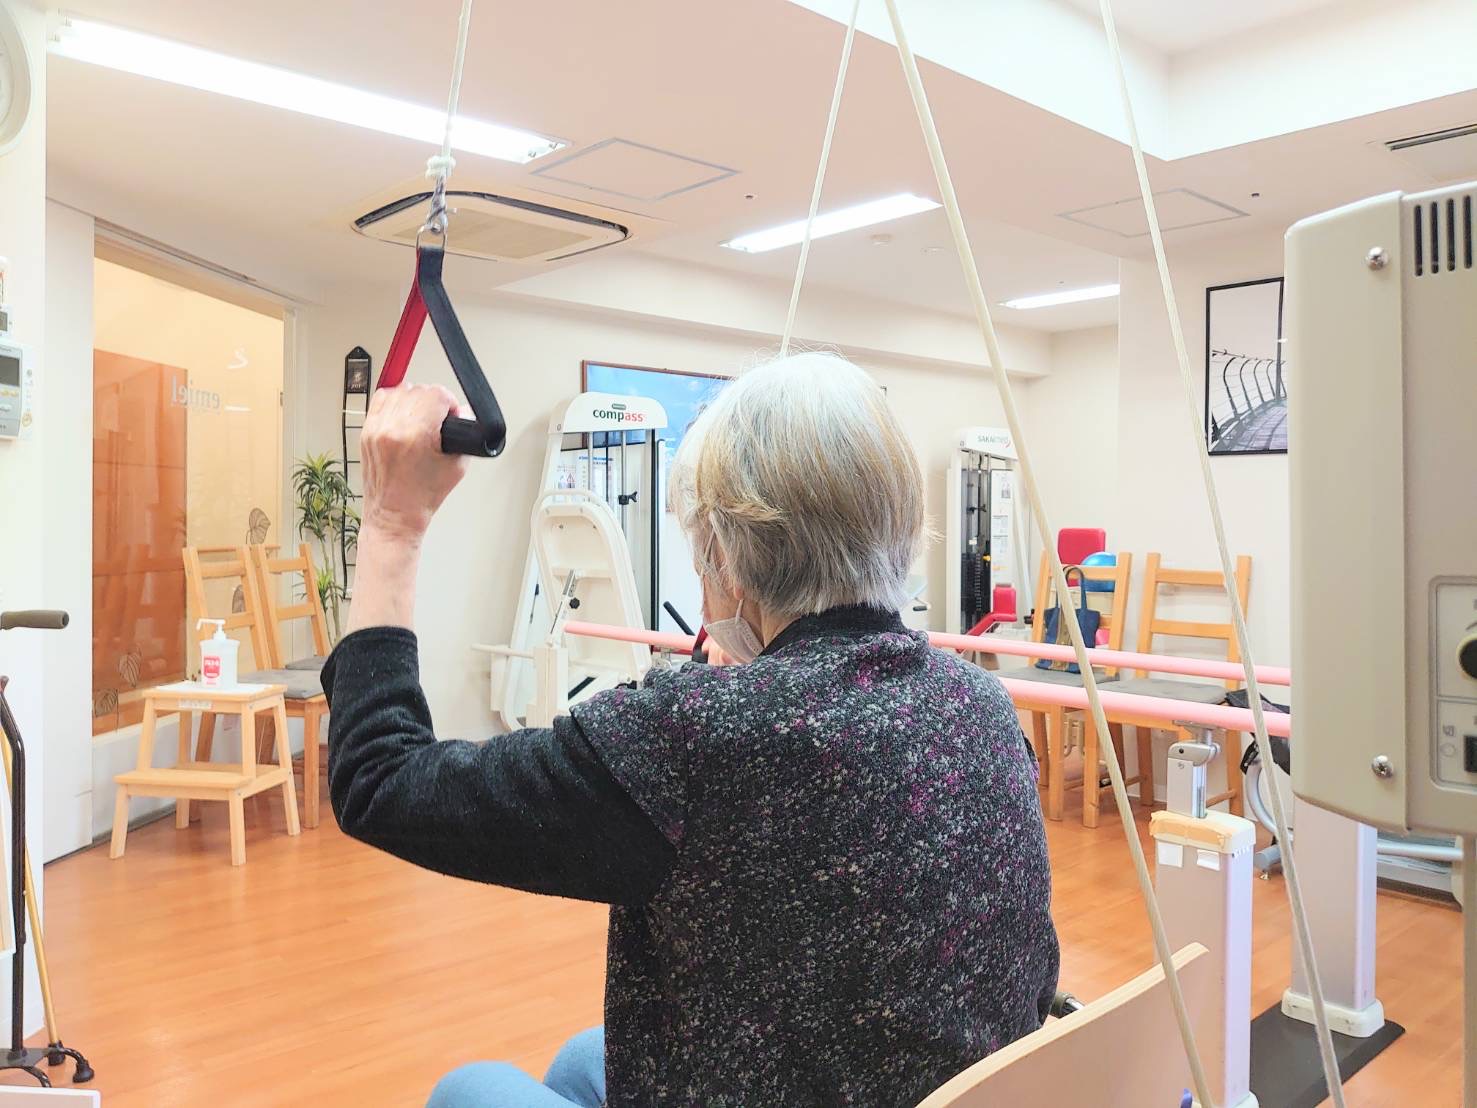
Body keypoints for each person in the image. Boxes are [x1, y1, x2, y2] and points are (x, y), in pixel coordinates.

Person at [324, 352, 1059, 1107]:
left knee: (471, 1089)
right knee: (584, 1059)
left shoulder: (690, 737)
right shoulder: (984, 705)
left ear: (727, 559)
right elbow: (1033, 981)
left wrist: (391, 524)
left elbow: (379, 779)